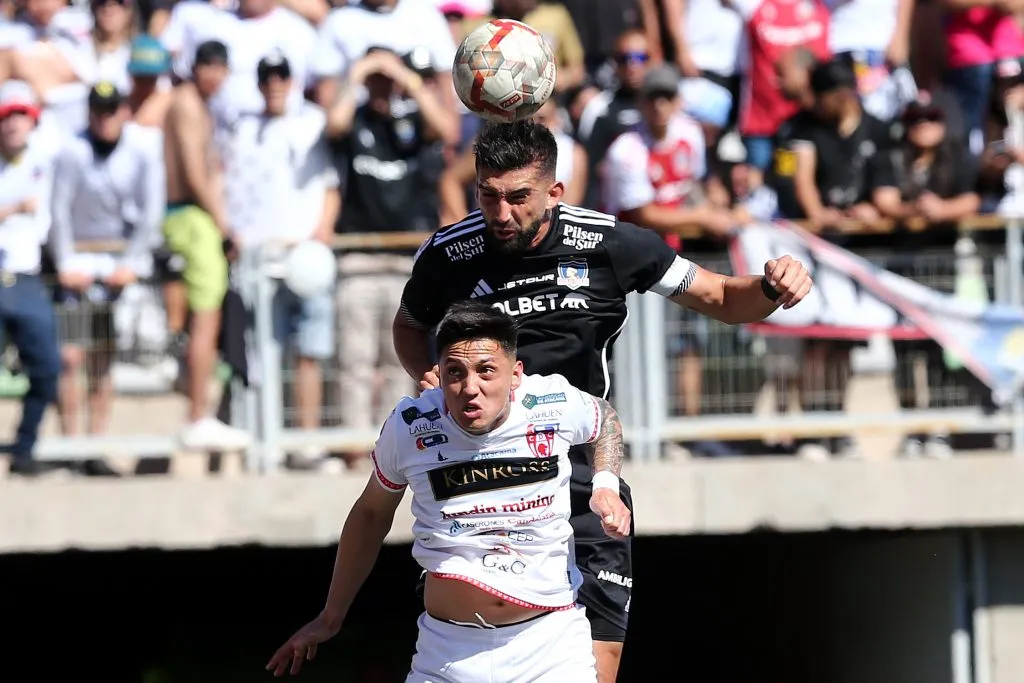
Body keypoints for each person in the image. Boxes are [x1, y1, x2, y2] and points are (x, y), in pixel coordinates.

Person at [392, 119, 813, 682]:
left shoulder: (610, 243)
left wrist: (771, 286)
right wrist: (425, 373)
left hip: (585, 477)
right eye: (488, 195)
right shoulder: (450, 252)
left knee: (596, 668)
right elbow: (408, 324)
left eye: (518, 198)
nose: (501, 213)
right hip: (483, 479)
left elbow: (718, 295)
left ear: (554, 193)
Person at [267, 301, 631, 682]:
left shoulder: (551, 403)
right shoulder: (411, 426)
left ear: (516, 374)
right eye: (455, 373)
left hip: (549, 644)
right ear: (439, 375)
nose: (470, 388)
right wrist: (330, 615)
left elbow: (604, 417)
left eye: (486, 371)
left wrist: (605, 485)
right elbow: (371, 514)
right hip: (447, 653)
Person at [162, 39, 250, 452]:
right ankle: (196, 415)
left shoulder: (200, 105)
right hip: (191, 216)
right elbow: (196, 175)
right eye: (207, 65)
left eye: (220, 67)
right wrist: (224, 228)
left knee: (207, 315)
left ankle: (199, 411)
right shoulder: (185, 103)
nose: (213, 74)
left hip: (194, 216)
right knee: (206, 315)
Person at [0, 81, 62, 477]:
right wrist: (13, 209)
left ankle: (24, 447)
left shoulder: (48, 160)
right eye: (6, 117)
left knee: (47, 369)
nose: (12, 125)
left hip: (26, 280)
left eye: (20, 116)